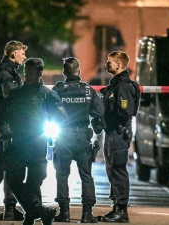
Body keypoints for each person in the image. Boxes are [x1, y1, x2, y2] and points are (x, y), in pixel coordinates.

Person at [0, 57, 67, 225]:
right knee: (13, 179)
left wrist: (53, 130)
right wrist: (5, 130)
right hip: (19, 142)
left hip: (38, 142)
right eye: (26, 72)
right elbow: (3, 114)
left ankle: (32, 215)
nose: (27, 75)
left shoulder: (47, 94)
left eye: (31, 72)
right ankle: (41, 211)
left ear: (39, 73)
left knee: (35, 180)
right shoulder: (17, 94)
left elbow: (62, 117)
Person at [51, 57, 105, 223]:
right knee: (86, 175)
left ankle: (64, 214)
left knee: (62, 175)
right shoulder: (88, 91)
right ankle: (87, 214)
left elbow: (47, 110)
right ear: (78, 71)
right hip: (82, 137)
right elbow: (99, 112)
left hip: (63, 136)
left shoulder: (58, 90)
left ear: (64, 72)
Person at [0, 40, 27, 221]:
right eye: (22, 53)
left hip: (0, 121)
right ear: (13, 54)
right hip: (10, 124)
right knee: (11, 167)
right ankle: (9, 209)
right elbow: (13, 98)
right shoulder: (6, 74)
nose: (24, 57)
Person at [100, 51, 140, 223]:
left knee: (117, 169)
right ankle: (116, 208)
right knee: (112, 169)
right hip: (113, 132)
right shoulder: (116, 85)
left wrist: (109, 114)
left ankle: (121, 210)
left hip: (118, 131)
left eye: (110, 62)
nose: (107, 65)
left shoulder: (122, 86)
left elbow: (125, 112)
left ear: (119, 65)